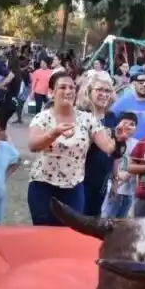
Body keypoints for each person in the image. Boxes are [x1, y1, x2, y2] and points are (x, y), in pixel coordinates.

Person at [27, 71, 120, 224]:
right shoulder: (43, 117)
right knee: (43, 235)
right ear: (51, 92)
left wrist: (120, 139)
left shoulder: (86, 119)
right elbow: (33, 145)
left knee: (71, 234)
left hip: (73, 187)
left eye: (72, 87)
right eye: (63, 87)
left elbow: (109, 149)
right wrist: (53, 133)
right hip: (42, 186)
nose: (68, 91)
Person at [79, 72, 119, 217]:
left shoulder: (111, 117)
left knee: (94, 217)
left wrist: (115, 178)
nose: (104, 94)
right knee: (79, 217)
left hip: (102, 178)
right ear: (89, 92)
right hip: (81, 178)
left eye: (107, 91)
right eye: (99, 90)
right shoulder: (81, 116)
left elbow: (115, 152)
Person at [102, 112, 139, 218]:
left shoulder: (137, 144)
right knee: (107, 218)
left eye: (132, 124)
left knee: (122, 221)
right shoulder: (110, 141)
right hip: (112, 189)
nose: (128, 126)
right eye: (125, 123)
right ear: (118, 125)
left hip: (128, 192)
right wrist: (116, 181)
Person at [110, 71, 145, 141]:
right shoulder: (123, 101)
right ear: (134, 84)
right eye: (141, 83)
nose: (144, 85)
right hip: (128, 148)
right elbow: (110, 121)